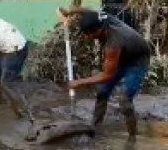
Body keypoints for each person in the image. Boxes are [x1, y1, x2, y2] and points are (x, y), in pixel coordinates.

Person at [60, 7, 152, 138]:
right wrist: (69, 11)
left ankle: (133, 137)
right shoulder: (100, 17)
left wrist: (79, 82)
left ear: (99, 30)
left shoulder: (113, 43)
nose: (86, 37)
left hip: (137, 60)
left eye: (88, 34)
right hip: (123, 53)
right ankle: (95, 127)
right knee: (102, 91)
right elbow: (86, 10)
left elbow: (107, 75)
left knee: (124, 99)